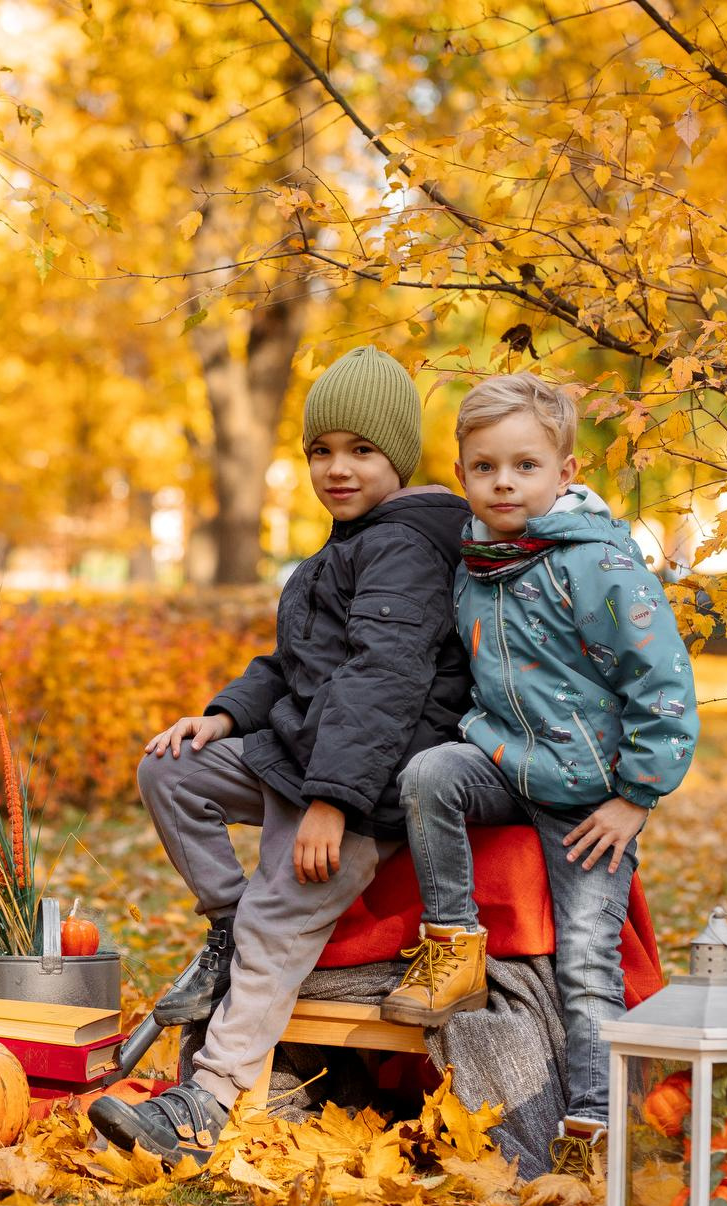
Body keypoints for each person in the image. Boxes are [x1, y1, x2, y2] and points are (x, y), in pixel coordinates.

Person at [89, 346, 473, 1165]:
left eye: (362, 450)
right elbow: (289, 667)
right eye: (320, 451)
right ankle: (226, 925)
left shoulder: (405, 549)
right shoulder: (342, 547)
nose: (337, 468)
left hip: (365, 785)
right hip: (302, 757)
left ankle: (208, 1100)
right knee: (171, 768)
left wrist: (333, 800)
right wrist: (222, 717)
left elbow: (382, 679)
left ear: (399, 458)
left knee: (279, 909)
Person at [378, 371, 697, 1177]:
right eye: (485, 467)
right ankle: (453, 944)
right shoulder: (477, 560)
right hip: (505, 766)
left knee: (586, 962)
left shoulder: (599, 566)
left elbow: (662, 684)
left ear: (566, 473)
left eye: (525, 466)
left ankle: (591, 1125)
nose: (504, 482)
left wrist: (636, 797)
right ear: (463, 477)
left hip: (592, 799)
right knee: (428, 775)